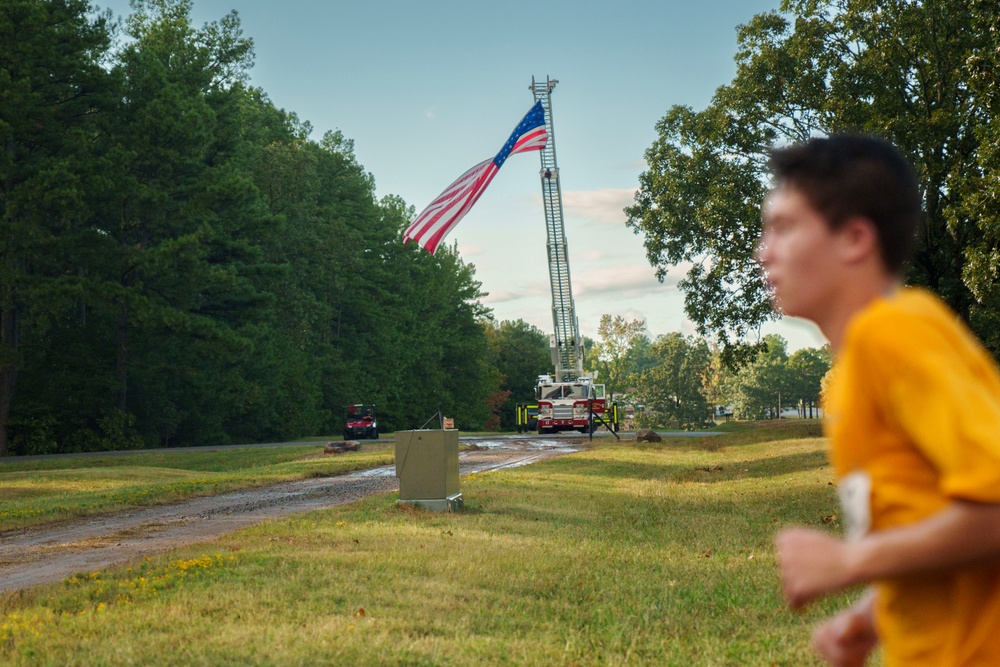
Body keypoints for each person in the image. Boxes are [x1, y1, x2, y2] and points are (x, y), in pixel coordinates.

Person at [756, 134, 1000, 666]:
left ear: (855, 239)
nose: (763, 252)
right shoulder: (852, 374)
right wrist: (869, 616)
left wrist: (850, 560)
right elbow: (926, 521)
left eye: (784, 228)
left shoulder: (895, 333)